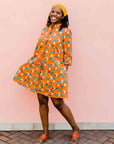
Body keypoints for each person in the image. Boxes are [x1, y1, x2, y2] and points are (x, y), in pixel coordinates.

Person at [13, 3, 80, 144]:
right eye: (52, 12)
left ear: (63, 16)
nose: (54, 14)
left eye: (58, 13)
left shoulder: (65, 32)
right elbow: (38, 51)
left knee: (58, 103)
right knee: (42, 101)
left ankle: (75, 129)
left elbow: (67, 55)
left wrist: (63, 73)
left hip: (55, 71)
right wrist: (32, 66)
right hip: (41, 70)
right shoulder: (45, 30)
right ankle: (45, 133)